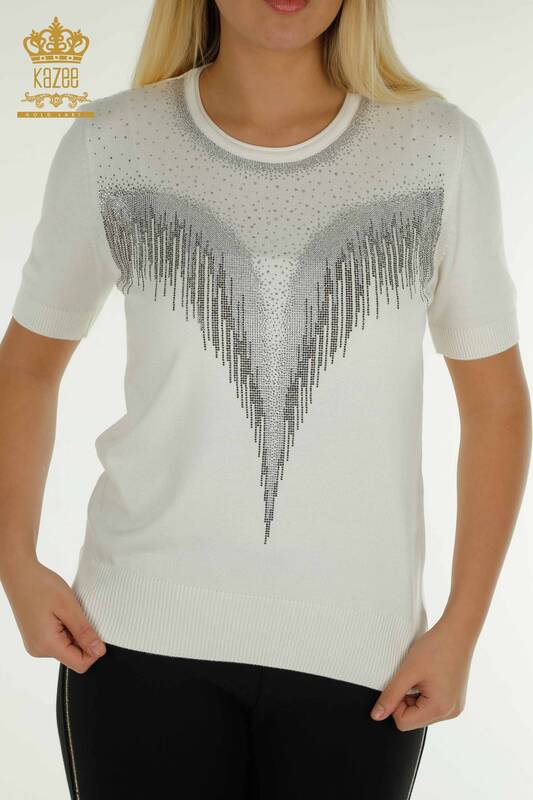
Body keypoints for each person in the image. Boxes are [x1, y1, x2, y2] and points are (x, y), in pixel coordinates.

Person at [0, 0, 530, 798]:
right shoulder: (114, 141)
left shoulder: (435, 147)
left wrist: (461, 627)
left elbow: (495, 405)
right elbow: (27, 367)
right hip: (135, 638)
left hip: (361, 660)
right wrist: (13, 559)